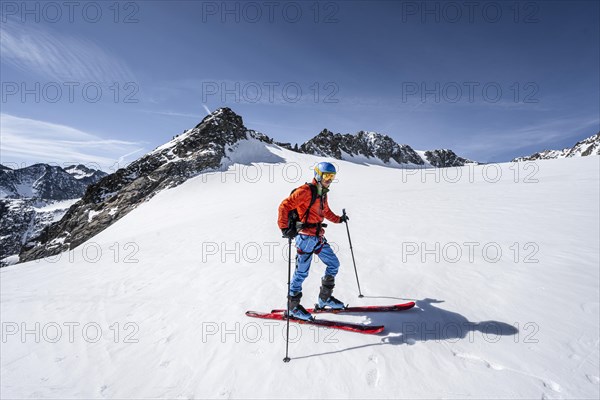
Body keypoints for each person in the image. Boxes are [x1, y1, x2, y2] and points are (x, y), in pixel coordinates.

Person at [277, 161, 349, 321]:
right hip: (305, 238)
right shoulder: (306, 191)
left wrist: (339, 219)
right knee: (301, 273)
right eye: (327, 176)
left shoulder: (323, 192)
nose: (330, 179)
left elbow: (326, 211)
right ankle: (293, 307)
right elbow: (284, 206)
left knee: (334, 264)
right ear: (318, 174)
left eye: (332, 176)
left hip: (318, 237)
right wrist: (284, 228)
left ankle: (324, 299)